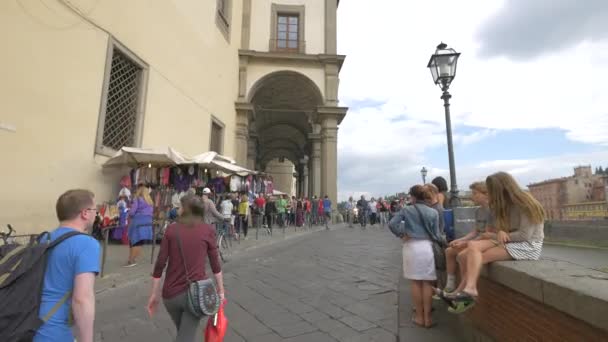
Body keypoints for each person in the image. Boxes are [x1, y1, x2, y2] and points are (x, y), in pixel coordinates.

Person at [446, 172, 545, 313]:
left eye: (491, 191)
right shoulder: (504, 205)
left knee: (482, 257)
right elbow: (501, 231)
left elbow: (524, 236)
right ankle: (465, 290)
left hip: (527, 245)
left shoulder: (525, 204)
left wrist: (499, 234)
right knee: (468, 251)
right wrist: (499, 233)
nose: (490, 194)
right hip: (509, 241)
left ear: (501, 189)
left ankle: (465, 292)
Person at [148, 195, 225, 342]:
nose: (178, 209)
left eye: (180, 206)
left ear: (185, 210)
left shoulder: (171, 230)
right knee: (185, 336)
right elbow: (215, 264)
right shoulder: (207, 230)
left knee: (184, 333)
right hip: (196, 295)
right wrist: (221, 291)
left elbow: (160, 264)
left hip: (170, 296)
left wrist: (154, 294)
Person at [34, 189, 100, 342]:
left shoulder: (45, 238)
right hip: (53, 331)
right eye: (95, 210)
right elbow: (82, 299)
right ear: (85, 213)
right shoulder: (87, 244)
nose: (96, 214)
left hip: (27, 323)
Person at [389, 185, 440, 328]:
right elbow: (436, 234)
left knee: (416, 282)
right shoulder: (433, 212)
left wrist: (402, 234)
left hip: (411, 246)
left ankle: (419, 316)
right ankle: (428, 318)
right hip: (427, 248)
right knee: (427, 283)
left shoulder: (406, 209)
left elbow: (392, 224)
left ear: (413, 197)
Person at [442, 182, 495, 294]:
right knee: (449, 251)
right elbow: (475, 231)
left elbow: (486, 235)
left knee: (462, 256)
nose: (472, 196)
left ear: (486, 194)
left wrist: (465, 243)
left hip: (486, 242)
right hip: (477, 241)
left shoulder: (492, 211)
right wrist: (461, 240)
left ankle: (463, 290)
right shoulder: (478, 210)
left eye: (475, 194)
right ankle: (450, 284)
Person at [125, 184, 154, 267]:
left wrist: (129, 213)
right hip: (147, 223)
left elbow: (132, 211)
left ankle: (131, 260)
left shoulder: (138, 199)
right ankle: (133, 259)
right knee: (140, 242)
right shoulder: (150, 201)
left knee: (134, 241)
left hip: (138, 221)